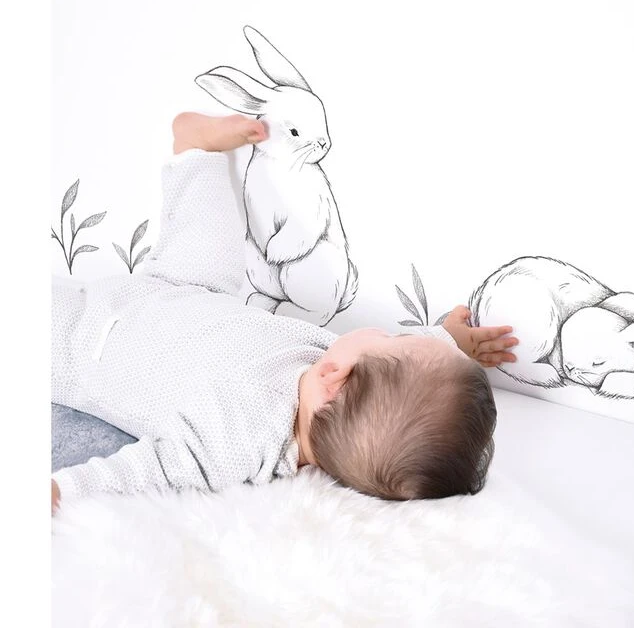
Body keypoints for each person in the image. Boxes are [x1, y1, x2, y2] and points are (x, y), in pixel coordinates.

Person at [51, 112, 518, 514]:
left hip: (91, 342)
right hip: (188, 288)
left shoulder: (238, 443)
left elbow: (150, 471)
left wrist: (61, 491)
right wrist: (453, 340)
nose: (390, 333)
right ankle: (196, 152)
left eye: (393, 337)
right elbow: (414, 379)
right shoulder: (337, 384)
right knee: (210, 247)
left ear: (335, 376)